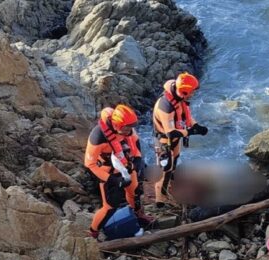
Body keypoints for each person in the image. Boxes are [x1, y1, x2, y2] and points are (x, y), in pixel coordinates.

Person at [84, 104, 154, 239]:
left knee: (135, 193)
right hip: (109, 173)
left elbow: (135, 144)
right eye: (127, 128)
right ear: (117, 125)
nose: (130, 131)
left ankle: (139, 216)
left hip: (127, 167)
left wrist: (138, 160)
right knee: (110, 207)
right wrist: (113, 180)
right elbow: (90, 164)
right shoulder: (98, 136)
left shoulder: (128, 130)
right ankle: (93, 232)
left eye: (131, 128)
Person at [152, 72, 208, 207]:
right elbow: (171, 133)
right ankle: (161, 199)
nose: (193, 94)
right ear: (184, 92)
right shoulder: (166, 107)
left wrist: (195, 126)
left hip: (176, 139)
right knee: (164, 170)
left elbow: (184, 115)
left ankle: (171, 179)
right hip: (164, 142)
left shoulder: (178, 95)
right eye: (191, 92)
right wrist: (189, 131)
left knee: (175, 159)